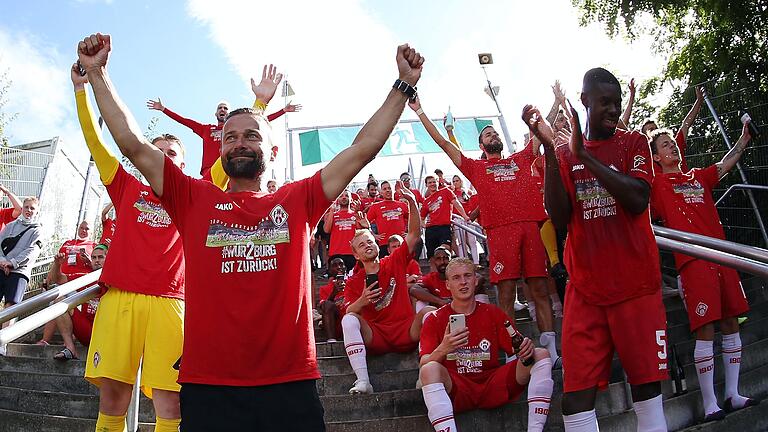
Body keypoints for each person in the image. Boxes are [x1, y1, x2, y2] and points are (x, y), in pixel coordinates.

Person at [78, 32, 425, 429]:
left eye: (251, 135)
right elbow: (134, 144)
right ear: (221, 151)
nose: (239, 142)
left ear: (272, 151)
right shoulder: (192, 198)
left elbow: (362, 149)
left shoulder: (301, 199)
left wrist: (403, 86)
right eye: (230, 137)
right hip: (209, 387)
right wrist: (97, 73)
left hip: (289, 383)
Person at [525, 67, 668, 432]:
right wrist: (550, 150)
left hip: (636, 288)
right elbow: (559, 218)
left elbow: (638, 199)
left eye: (617, 103)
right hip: (586, 291)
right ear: (585, 101)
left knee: (647, 392)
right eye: (605, 102)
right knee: (574, 400)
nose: (613, 110)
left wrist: (585, 156)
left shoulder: (633, 142)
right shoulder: (565, 155)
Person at [72, 61, 187, 432]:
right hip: (119, 298)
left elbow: (225, 165)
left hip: (171, 303)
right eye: (158, 151)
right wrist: (80, 89)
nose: (164, 157)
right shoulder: (125, 186)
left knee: (170, 400)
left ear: (183, 166)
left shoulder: (190, 194)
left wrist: (260, 104)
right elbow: (94, 139)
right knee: (114, 398)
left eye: (172, 154)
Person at [410, 97, 560, 366]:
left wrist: (554, 104)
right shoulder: (476, 168)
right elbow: (444, 144)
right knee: (506, 293)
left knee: (539, 287)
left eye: (494, 132)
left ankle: (552, 348)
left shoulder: (521, 158)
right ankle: (511, 351)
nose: (492, 133)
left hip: (529, 226)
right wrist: (419, 110)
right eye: (487, 133)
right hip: (501, 233)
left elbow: (540, 133)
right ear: (481, 145)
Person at [649, 125, 756, 420]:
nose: (673, 147)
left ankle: (733, 394)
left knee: (732, 321)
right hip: (693, 262)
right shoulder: (656, 185)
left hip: (722, 256)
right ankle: (711, 403)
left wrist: (744, 138)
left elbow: (723, 166)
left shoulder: (696, 175)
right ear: (656, 157)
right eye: (665, 145)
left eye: (673, 143)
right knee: (706, 326)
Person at [419, 257, 553, 432]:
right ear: (448, 285)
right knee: (428, 369)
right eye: (456, 278)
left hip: (493, 384)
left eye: (468, 276)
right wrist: (444, 348)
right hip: (458, 388)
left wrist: (526, 348)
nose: (463, 282)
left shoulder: (493, 313)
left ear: (476, 281)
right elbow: (423, 363)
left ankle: (535, 429)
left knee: (541, 354)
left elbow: (520, 350)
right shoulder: (435, 319)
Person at [342, 187, 434, 394]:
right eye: (361, 245)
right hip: (377, 336)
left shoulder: (393, 261)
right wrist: (363, 300)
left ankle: (425, 374)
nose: (367, 246)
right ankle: (363, 381)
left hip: (406, 330)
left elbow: (414, 235)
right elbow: (348, 312)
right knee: (349, 320)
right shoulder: (354, 282)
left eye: (370, 242)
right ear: (355, 255)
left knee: (429, 313)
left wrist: (411, 203)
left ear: (377, 245)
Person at [146, 69, 298, 176]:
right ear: (216, 112)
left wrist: (280, 110)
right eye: (220, 108)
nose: (223, 110)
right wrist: (164, 109)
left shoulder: (236, 129)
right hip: (209, 175)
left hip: (231, 171)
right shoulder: (206, 129)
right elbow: (184, 121)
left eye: (225, 108)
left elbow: (259, 123)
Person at [0, 197, 44, 356]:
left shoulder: (37, 230)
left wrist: (12, 263)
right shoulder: (10, 226)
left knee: (11, 305)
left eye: (32, 208)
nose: (28, 210)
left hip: (19, 271)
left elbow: (32, 252)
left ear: (37, 210)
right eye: (26, 207)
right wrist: (2, 262)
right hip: (1, 267)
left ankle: (3, 342)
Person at [51, 244, 108, 361]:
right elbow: (59, 279)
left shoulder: (116, 279)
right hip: (87, 330)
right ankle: (70, 348)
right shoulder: (85, 278)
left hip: (108, 333)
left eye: (101, 257)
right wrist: (57, 264)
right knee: (59, 301)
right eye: (94, 258)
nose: (97, 261)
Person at [635, 85, 705, 173]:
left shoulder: (673, 145)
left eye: (656, 128)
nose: (655, 132)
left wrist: (698, 102)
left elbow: (686, 125)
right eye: (651, 131)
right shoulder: (644, 160)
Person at [421, 175, 469, 259]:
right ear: (426, 185)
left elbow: (456, 203)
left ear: (438, 182)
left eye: (434, 181)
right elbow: (422, 217)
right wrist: (424, 225)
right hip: (430, 230)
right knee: (432, 257)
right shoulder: (426, 201)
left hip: (444, 227)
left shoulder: (446, 191)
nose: (432, 184)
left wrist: (465, 216)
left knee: (444, 251)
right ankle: (434, 272)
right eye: (430, 182)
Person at [363, 180, 408, 257]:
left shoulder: (402, 205)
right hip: (384, 243)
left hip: (401, 242)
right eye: (384, 189)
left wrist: (409, 232)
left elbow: (413, 219)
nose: (387, 190)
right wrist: (373, 235)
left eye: (389, 188)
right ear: (381, 192)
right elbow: (364, 222)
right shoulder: (375, 206)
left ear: (393, 190)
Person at [324, 190, 360, 272]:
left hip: (352, 253)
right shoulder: (331, 215)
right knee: (335, 282)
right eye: (341, 196)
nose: (344, 197)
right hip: (336, 253)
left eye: (347, 196)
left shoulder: (356, 214)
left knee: (352, 281)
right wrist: (332, 211)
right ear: (337, 199)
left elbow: (360, 230)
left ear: (351, 199)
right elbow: (326, 230)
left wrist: (357, 213)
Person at [317, 257, 347, 343]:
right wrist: (333, 293)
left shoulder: (352, 282)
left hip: (352, 319)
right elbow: (323, 307)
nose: (339, 267)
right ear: (329, 270)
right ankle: (331, 341)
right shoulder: (324, 288)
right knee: (327, 304)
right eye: (335, 265)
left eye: (341, 264)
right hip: (336, 323)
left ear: (345, 267)